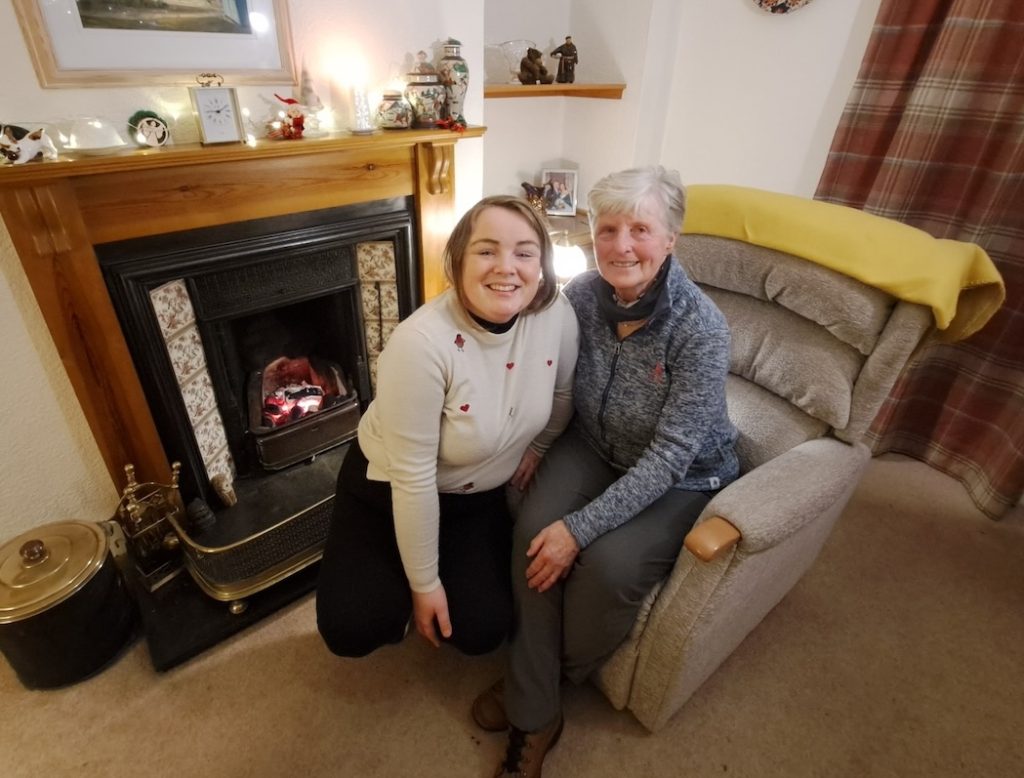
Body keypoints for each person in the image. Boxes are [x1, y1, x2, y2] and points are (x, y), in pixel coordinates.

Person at [472, 167, 740, 777]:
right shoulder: (583, 295)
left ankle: (532, 690)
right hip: (591, 444)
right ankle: (537, 708)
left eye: (640, 229)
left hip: (684, 473)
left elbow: (672, 454)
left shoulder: (701, 330)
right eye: (609, 228)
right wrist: (539, 440)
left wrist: (582, 529)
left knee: (608, 569)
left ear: (671, 238)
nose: (621, 245)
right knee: (532, 529)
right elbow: (548, 370)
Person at [316, 195, 579, 659]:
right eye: (486, 250)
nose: (507, 267)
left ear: (542, 264)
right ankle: (390, 571)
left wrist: (539, 445)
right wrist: (425, 584)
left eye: (524, 252)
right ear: (456, 261)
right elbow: (413, 478)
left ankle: (410, 565)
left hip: (473, 500)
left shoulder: (555, 313)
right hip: (389, 487)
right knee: (352, 626)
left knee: (481, 631)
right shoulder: (419, 344)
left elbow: (561, 395)